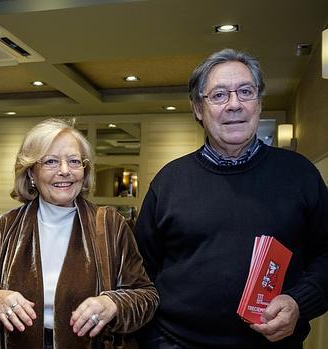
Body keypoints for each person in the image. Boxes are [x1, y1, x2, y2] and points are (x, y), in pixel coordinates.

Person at [134, 48, 328, 348]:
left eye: (245, 92)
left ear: (260, 103)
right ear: (198, 108)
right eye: (220, 95)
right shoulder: (169, 181)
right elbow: (139, 271)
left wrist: (299, 303)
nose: (234, 105)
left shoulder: (300, 174)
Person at [0, 118, 159, 349]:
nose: (65, 171)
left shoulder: (110, 224)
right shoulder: (7, 226)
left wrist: (112, 303)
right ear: (31, 173)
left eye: (74, 161)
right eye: (51, 161)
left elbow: (147, 297)